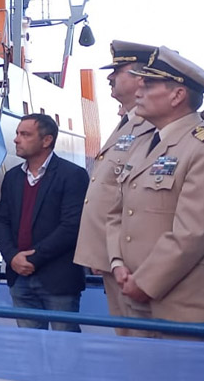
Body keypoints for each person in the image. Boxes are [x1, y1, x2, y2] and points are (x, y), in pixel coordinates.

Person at [107, 47, 204, 337]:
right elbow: (117, 212)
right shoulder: (142, 145)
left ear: (177, 95)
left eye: (149, 84)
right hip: (130, 293)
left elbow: (193, 232)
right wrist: (116, 264)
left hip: (178, 302)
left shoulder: (203, 148)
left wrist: (145, 282)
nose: (139, 91)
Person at [73, 41, 156, 330]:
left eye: (118, 71)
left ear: (141, 77)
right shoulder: (127, 123)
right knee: (126, 335)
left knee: (141, 338)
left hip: (131, 261)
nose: (109, 77)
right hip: (113, 257)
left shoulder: (151, 126)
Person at [0, 113, 88, 331]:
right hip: (19, 277)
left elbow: (71, 226)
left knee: (64, 348)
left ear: (46, 141)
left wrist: (33, 258)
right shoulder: (13, 177)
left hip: (58, 279)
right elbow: (1, 220)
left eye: (25, 134)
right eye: (17, 133)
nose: (16, 139)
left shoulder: (72, 175)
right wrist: (12, 257)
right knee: (29, 349)